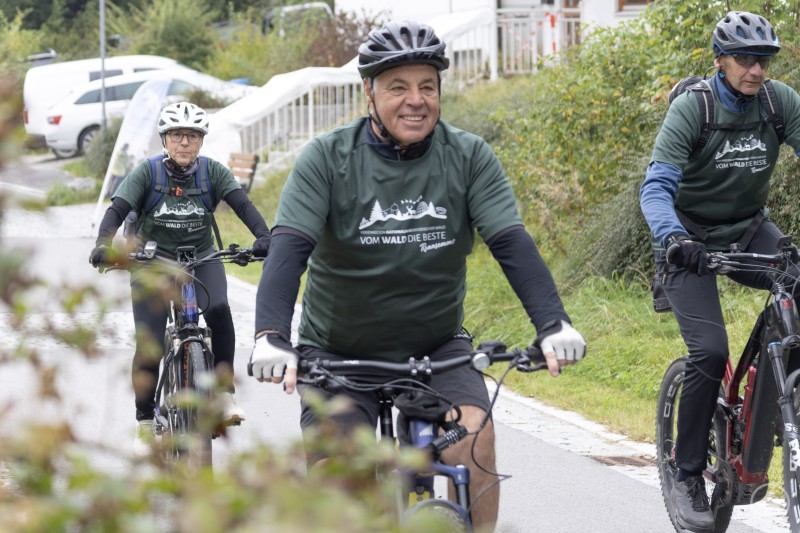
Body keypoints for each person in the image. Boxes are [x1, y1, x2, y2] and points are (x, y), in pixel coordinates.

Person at [248, 20, 586, 532]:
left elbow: (511, 245)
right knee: (336, 479)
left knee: (475, 439)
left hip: (437, 350)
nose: (416, 100)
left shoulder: (468, 157)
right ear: (369, 92)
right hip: (339, 355)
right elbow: (290, 250)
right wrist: (271, 336)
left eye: (427, 86)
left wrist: (553, 323)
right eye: (398, 87)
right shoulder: (328, 158)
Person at [640, 11, 800, 532]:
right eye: (745, 59)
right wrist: (674, 241)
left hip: (749, 229)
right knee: (709, 351)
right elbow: (656, 187)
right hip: (690, 241)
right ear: (720, 61)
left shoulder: (780, 104)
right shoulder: (696, 109)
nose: (755, 70)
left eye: (764, 60)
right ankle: (687, 474)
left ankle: (770, 402)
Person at [89, 102, 271, 456]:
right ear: (165, 140)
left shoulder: (212, 173)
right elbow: (117, 209)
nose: (184, 142)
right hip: (152, 262)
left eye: (192, 136)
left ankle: (223, 395)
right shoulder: (148, 173)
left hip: (200, 257)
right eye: (177, 135)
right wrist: (103, 243)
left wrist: (264, 237)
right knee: (150, 344)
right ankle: (145, 417)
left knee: (218, 308)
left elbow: (243, 205)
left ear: (201, 141)